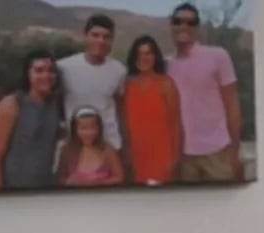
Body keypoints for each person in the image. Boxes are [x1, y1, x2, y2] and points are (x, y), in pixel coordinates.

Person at [166, 3, 243, 183]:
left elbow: (232, 104)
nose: (184, 26)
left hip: (217, 152)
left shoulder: (218, 56)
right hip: (182, 156)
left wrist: (235, 150)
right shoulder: (165, 65)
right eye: (178, 21)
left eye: (190, 22)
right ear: (171, 25)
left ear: (197, 27)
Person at [0, 50, 61, 190]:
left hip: (46, 188)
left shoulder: (54, 104)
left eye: (51, 71)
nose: (46, 75)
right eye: (39, 70)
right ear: (28, 74)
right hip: (13, 190)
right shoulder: (11, 105)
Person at [56, 14, 127, 154]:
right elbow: (54, 103)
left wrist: (125, 144)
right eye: (95, 35)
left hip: (110, 146)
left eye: (106, 37)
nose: (101, 41)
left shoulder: (119, 70)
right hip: (76, 147)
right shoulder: (63, 67)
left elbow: (120, 107)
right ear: (85, 35)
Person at [123, 35, 182, 185]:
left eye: (148, 53)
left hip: (162, 155)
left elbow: (176, 124)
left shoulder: (166, 84)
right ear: (134, 57)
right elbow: (125, 124)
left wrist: (174, 158)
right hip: (136, 156)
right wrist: (127, 153)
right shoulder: (127, 85)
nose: (144, 58)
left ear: (155, 56)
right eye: (139, 53)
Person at [57, 106, 123, 187]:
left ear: (99, 128)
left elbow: (119, 177)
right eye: (83, 128)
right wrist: (69, 182)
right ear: (75, 129)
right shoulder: (67, 151)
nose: (89, 133)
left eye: (93, 128)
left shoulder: (108, 150)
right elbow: (61, 178)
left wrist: (98, 184)